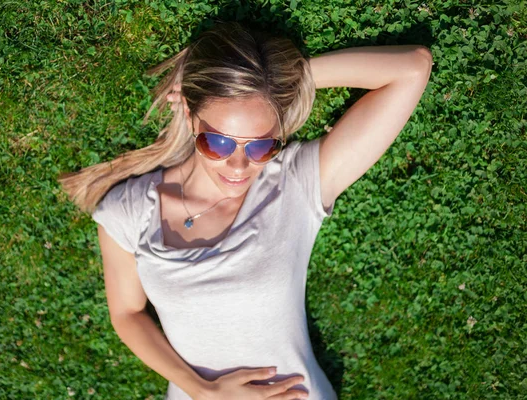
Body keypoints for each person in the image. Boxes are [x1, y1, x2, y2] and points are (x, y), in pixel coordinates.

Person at [58, 21, 432, 400]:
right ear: (189, 116)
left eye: (259, 147)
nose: (238, 167)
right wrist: (203, 390)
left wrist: (274, 85)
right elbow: (127, 315)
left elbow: (412, 68)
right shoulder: (130, 209)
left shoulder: (294, 185)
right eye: (218, 142)